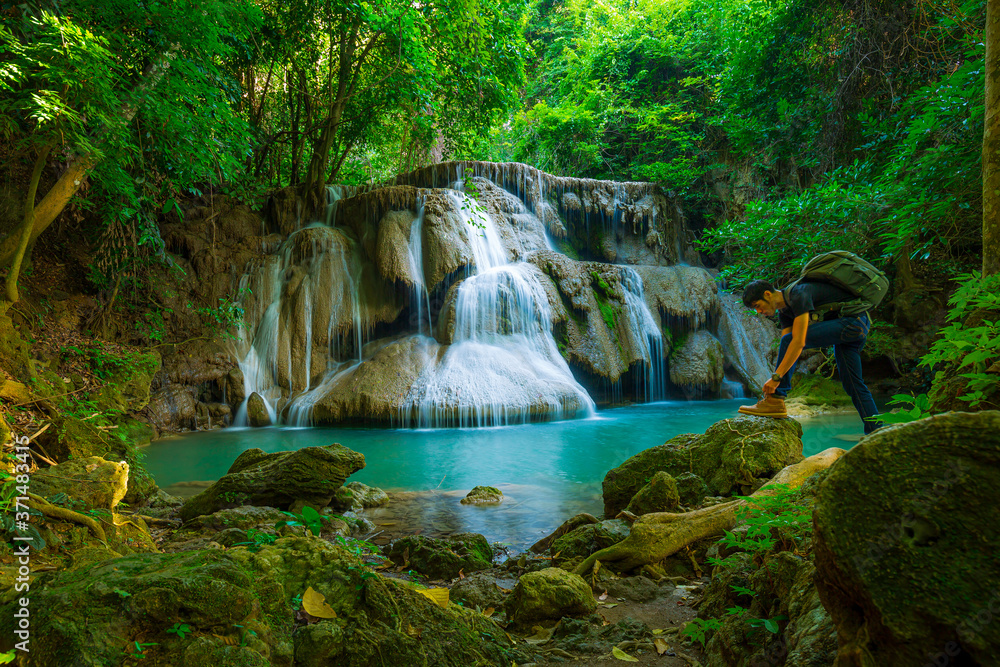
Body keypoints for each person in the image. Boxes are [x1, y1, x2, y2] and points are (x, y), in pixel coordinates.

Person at [738, 278, 884, 434]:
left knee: (791, 340)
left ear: (767, 294)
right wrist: (776, 378)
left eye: (757, 306)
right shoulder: (785, 312)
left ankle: (775, 401)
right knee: (853, 384)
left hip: (853, 322)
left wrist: (776, 379)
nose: (759, 312)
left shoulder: (798, 294)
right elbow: (788, 349)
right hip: (851, 327)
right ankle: (876, 432)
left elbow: (798, 342)